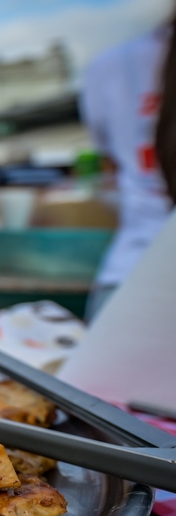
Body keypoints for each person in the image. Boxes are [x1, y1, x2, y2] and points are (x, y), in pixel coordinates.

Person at [79, 18, 173, 318]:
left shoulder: (115, 64)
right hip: (138, 275)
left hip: (132, 271)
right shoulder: (117, 64)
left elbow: (111, 161)